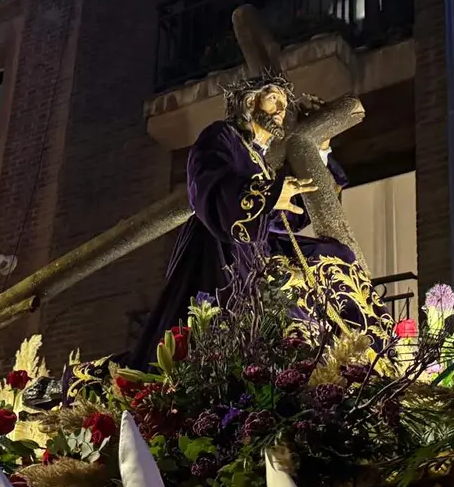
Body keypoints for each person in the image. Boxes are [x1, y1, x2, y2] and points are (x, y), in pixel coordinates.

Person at [125, 73, 389, 371]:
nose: (280, 108)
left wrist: (321, 147)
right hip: (222, 241)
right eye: (274, 97)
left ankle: (360, 350)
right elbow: (209, 184)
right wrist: (272, 193)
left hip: (258, 244)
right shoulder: (221, 136)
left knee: (336, 256)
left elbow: (284, 217)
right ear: (251, 100)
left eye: (284, 103)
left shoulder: (262, 161)